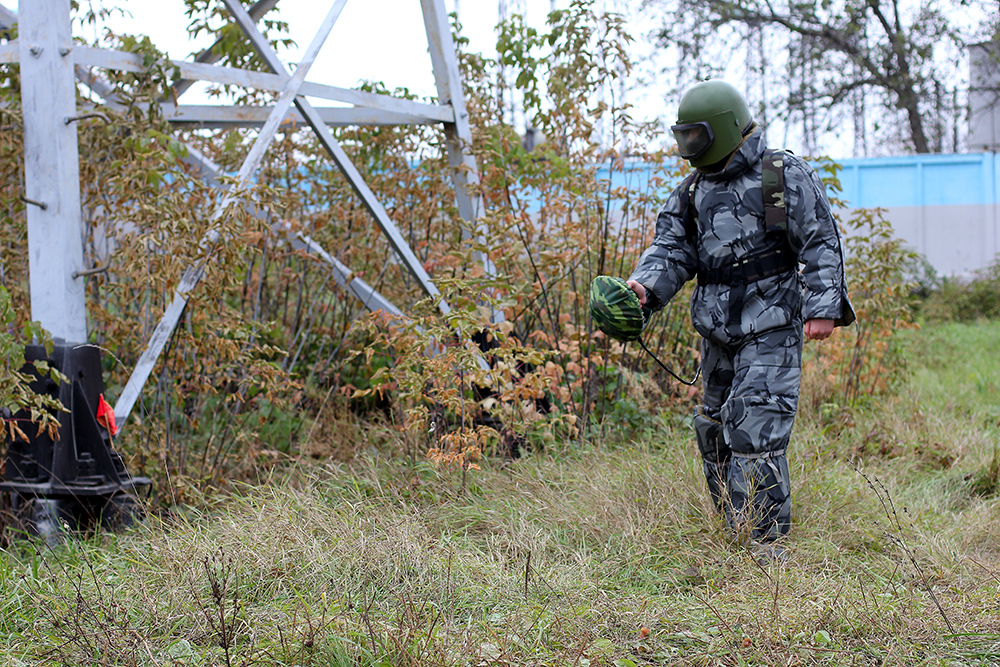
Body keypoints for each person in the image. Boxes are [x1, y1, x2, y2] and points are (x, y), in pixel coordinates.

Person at [627, 80, 854, 543]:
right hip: (718, 331)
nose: (690, 146)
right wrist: (642, 289)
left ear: (725, 128)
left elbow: (819, 240)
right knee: (713, 431)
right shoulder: (690, 193)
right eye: (684, 136)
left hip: (772, 323)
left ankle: (763, 547)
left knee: (755, 430)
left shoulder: (780, 175)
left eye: (698, 136)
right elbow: (671, 251)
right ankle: (736, 527)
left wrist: (823, 306)